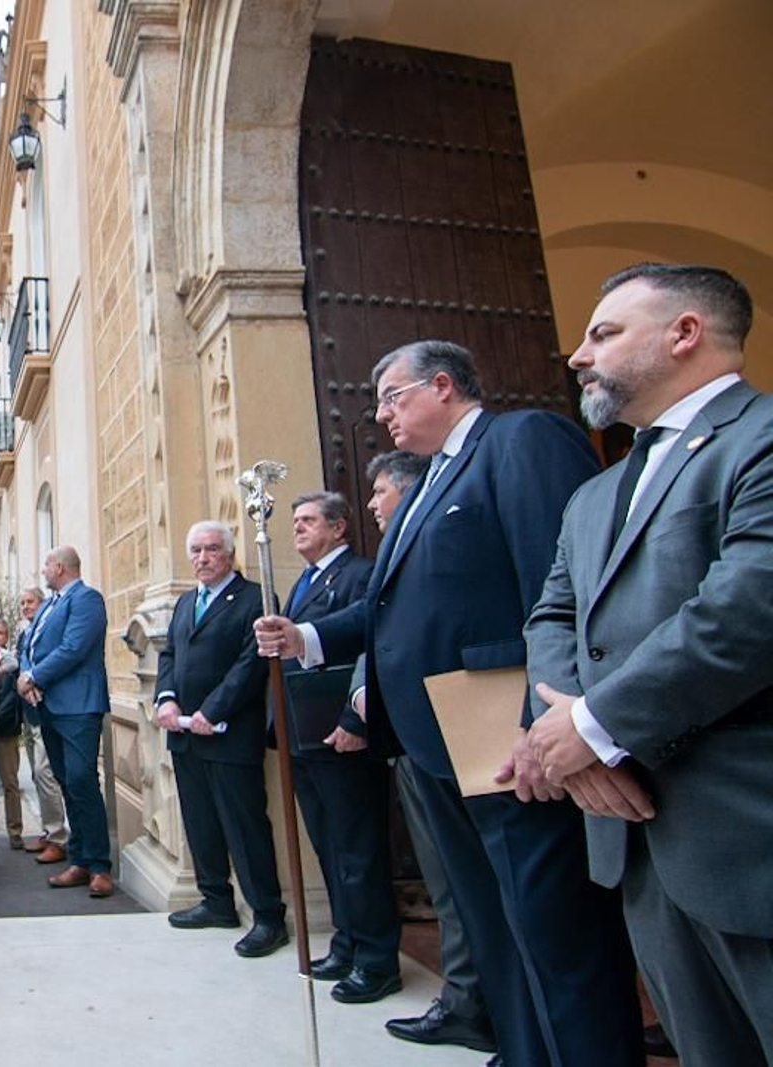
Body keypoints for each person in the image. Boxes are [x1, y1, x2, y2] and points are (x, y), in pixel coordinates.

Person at [255, 340, 642, 1067]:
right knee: (495, 924)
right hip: (436, 737)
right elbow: (389, 607)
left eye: (392, 396)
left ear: (441, 385)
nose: (380, 414)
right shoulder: (426, 483)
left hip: (507, 725)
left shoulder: (519, 440)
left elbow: (560, 589)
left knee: (553, 927)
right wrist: (304, 633)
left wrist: (551, 714)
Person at [524, 264, 773, 1064]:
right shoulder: (594, 496)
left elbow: (746, 612)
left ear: (686, 332)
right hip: (635, 836)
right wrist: (573, 735)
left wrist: (593, 728)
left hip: (746, 827)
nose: (577, 356)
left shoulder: (760, 439)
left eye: (604, 333)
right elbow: (552, 617)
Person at [365, 452, 497, 1054]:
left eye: (381, 492)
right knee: (450, 886)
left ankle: (490, 1004)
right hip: (414, 735)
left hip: (465, 724)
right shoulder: (394, 550)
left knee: (475, 881)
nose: (373, 503)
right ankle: (470, 998)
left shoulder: (440, 533)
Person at [278, 493, 400, 1003]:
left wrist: (356, 717)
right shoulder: (303, 580)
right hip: (305, 738)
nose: (298, 529)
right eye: (295, 521)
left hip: (343, 735)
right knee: (329, 848)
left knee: (358, 850)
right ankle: (347, 942)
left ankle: (377, 959)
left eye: (308, 521)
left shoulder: (359, 574)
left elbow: (371, 644)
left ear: (339, 528)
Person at [153, 520, 281, 953]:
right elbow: (169, 654)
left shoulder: (253, 600)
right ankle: (216, 901)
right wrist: (166, 699)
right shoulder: (187, 602)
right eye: (196, 550)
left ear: (229, 553)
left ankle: (267, 916)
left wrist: (213, 709)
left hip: (229, 735)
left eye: (211, 549)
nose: (202, 558)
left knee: (245, 828)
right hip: (186, 735)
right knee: (200, 824)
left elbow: (251, 664)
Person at [19, 546, 113, 898]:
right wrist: (28, 674)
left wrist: (33, 678)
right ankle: (80, 860)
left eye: (46, 564)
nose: (43, 569)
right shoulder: (51, 604)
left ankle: (101, 866)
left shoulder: (87, 599)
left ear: (58, 567)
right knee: (66, 782)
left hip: (78, 706)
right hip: (49, 706)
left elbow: (74, 648)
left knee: (81, 780)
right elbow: (31, 644)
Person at [15, 586, 69, 857]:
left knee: (46, 774)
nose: (26, 606)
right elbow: (24, 662)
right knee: (38, 774)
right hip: (29, 713)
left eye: (31, 601)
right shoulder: (26, 633)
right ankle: (50, 831)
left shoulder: (48, 631)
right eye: (22, 602)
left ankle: (58, 836)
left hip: (47, 710)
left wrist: (33, 681)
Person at [0, 618, 26, 850]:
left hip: (5, 731)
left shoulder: (14, 666)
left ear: (7, 636)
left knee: (10, 783)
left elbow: (12, 699)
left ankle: (15, 831)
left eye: (0, 632)